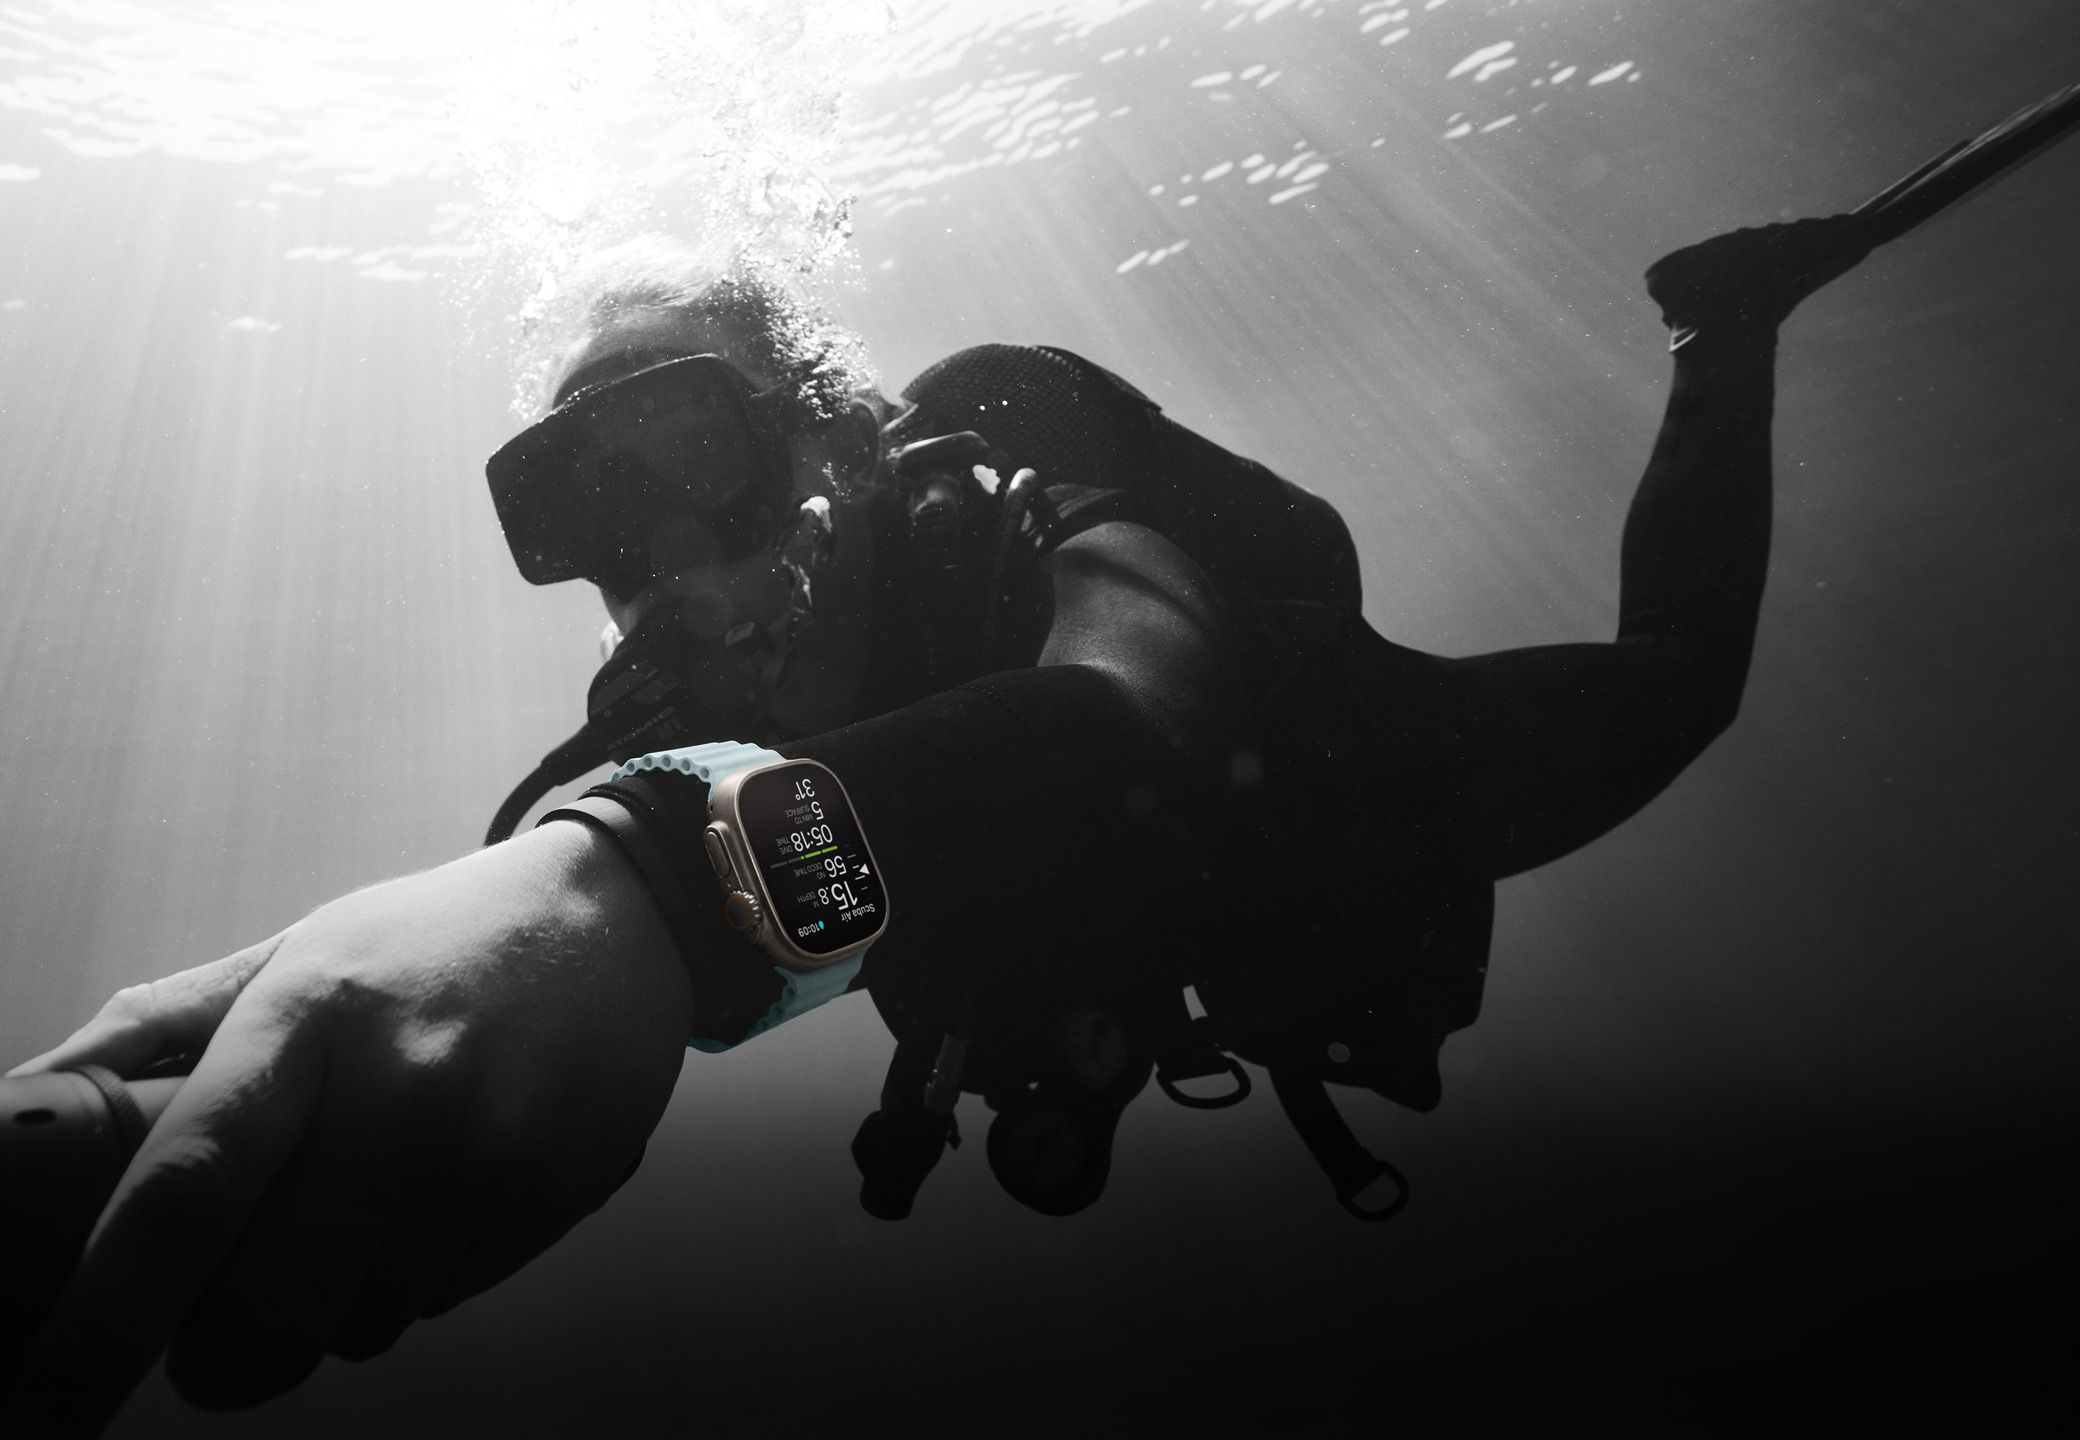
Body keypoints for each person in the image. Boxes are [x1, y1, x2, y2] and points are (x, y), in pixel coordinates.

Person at [6, 79, 2072, 1425]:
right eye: (587, 519)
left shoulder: (994, 451)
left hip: (1320, 779)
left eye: (697, 457)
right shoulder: (667, 707)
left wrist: (661, 893)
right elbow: (498, 920)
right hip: (1089, 950)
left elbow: (1130, 716)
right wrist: (196, 1090)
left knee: (1675, 682)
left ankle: (1723, 331)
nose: (670, 567)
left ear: (823, 429)